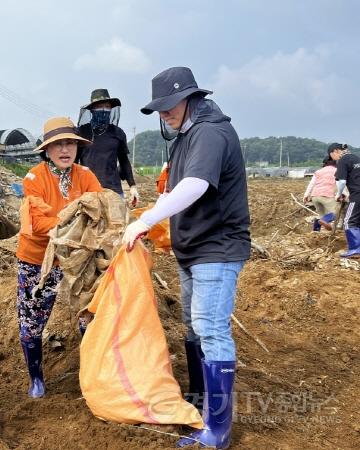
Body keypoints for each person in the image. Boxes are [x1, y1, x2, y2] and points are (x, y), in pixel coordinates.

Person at [123, 67, 250, 449]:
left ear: (191, 98)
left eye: (169, 106)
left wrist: (146, 219)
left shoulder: (210, 132)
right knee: (193, 326)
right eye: (159, 109)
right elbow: (173, 190)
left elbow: (195, 185)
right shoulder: (185, 136)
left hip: (217, 246)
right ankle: (198, 400)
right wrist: (149, 220)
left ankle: (218, 429)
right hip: (192, 247)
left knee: (210, 329)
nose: (164, 114)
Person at [16, 117, 103, 398]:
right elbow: (39, 224)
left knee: (89, 315)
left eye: (70, 143)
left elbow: (100, 213)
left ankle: (93, 373)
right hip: (38, 259)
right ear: (47, 149)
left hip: (78, 259)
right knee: (32, 318)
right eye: (58, 144)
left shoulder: (86, 176)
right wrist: (75, 221)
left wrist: (71, 225)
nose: (65, 149)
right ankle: (36, 378)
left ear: (78, 146)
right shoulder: (34, 178)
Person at [76, 89, 139, 206]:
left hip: (114, 190)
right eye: (100, 106)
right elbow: (73, 162)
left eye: (107, 106)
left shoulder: (118, 133)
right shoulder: (81, 132)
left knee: (116, 223)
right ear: (92, 110)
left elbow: (124, 161)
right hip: (87, 191)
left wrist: (133, 187)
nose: (104, 110)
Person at [332, 143, 360, 258]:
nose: (332, 159)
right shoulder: (356, 158)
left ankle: (355, 250)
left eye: (331, 155)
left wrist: (339, 194)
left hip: (357, 194)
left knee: (349, 221)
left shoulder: (343, 160)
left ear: (335, 151)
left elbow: (342, 181)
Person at [303, 153, 338, 231]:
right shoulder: (337, 171)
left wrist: (306, 195)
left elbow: (311, 184)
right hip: (328, 195)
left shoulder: (318, 171)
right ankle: (325, 221)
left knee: (321, 215)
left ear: (324, 163)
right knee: (336, 213)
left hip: (315, 196)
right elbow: (341, 183)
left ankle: (316, 231)